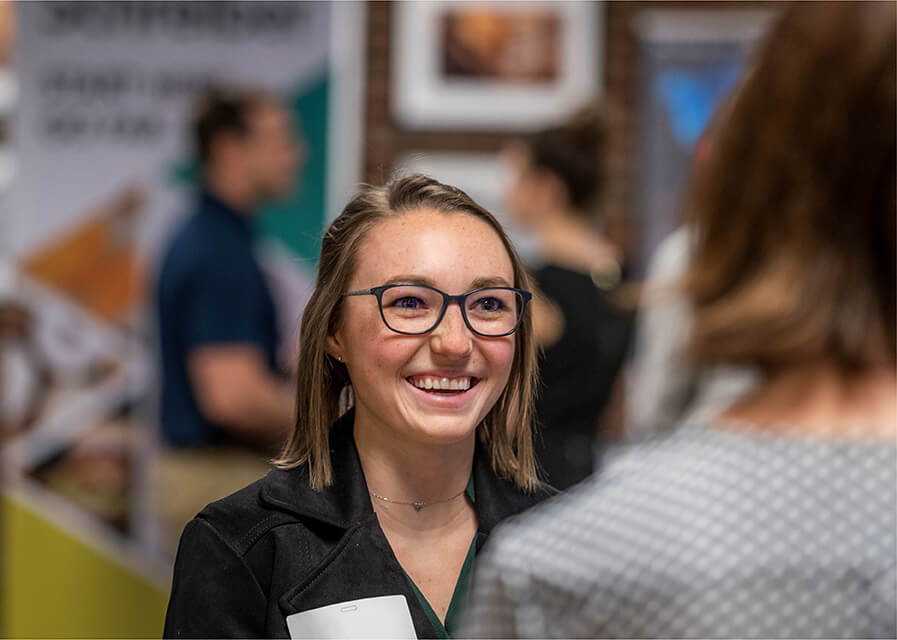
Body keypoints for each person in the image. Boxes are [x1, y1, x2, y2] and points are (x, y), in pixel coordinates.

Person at [460, 2, 896, 637]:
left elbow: (654, 407)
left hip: (558, 480)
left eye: (516, 176)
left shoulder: (562, 571)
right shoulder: (620, 270)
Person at [163, 174, 556, 638]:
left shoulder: (566, 544)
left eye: (489, 304)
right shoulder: (243, 548)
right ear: (334, 332)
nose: (455, 341)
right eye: (409, 302)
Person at [153, 87, 300, 545]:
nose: (296, 153)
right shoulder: (217, 251)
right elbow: (233, 396)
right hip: (220, 478)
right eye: (279, 139)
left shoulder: (217, 237)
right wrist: (337, 417)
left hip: (213, 477)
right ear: (228, 149)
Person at [503, 103, 633, 489]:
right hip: (592, 474)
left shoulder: (531, 287)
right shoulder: (622, 274)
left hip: (530, 477)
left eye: (515, 177)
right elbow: (617, 409)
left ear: (547, 187)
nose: (506, 191)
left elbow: (507, 409)